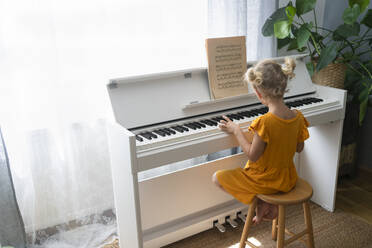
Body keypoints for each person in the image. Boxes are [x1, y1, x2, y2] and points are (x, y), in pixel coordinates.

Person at [212, 57, 309, 224]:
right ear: (284, 87)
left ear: (258, 92)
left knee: (217, 177)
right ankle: (265, 202)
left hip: (265, 181)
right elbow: (299, 148)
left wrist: (236, 130)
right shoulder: (298, 117)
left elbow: (252, 156)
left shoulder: (265, 122)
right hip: (287, 179)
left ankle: (262, 201)